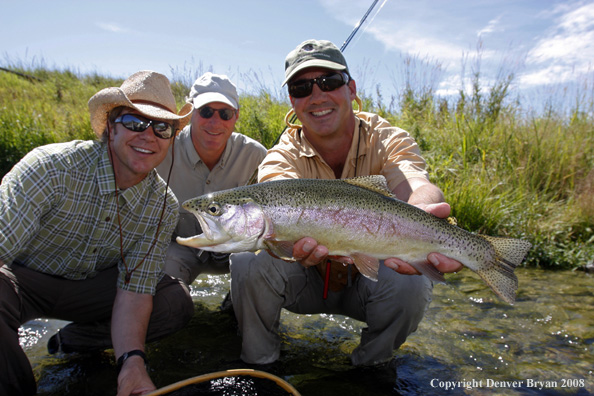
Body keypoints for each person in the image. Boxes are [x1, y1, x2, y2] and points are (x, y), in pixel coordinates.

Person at [230, 39, 463, 369]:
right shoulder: (282, 154)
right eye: (301, 87)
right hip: (305, 276)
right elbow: (272, 193)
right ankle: (260, 367)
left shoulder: (386, 137)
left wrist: (425, 211)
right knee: (245, 259)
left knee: (412, 280)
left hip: (369, 280)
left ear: (351, 88)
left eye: (329, 82)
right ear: (292, 101)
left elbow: (415, 185)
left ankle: (369, 371)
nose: (317, 96)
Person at [0, 70, 195, 396]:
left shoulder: (163, 206)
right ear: (110, 126)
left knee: (175, 301)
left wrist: (132, 363)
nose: (148, 135)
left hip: (92, 291)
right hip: (22, 282)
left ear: (172, 138)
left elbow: (134, 292)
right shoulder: (50, 169)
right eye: (135, 121)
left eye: (162, 127)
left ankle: (72, 342)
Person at [156, 72, 267, 286]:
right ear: (189, 112)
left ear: (236, 116)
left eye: (225, 113)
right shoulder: (162, 151)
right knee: (165, 286)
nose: (215, 122)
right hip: (180, 251)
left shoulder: (256, 156)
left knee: (255, 263)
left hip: (238, 252)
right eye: (206, 112)